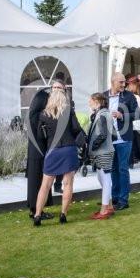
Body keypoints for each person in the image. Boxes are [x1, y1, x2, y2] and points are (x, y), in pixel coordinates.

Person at [32, 85, 85, 226]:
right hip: (69, 149)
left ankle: (37, 215)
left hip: (52, 150)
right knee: (68, 184)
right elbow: (76, 128)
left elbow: (40, 135)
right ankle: (63, 214)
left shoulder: (43, 114)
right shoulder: (69, 111)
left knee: (45, 185)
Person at [104, 72, 139, 210]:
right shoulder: (104, 96)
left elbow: (138, 114)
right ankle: (115, 198)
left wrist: (122, 115)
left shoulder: (129, 96)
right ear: (113, 82)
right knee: (113, 169)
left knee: (123, 169)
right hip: (109, 139)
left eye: (124, 82)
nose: (124, 84)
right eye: (121, 82)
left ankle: (124, 200)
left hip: (125, 139)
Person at [24, 87, 56, 221]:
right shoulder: (39, 116)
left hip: (34, 152)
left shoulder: (32, 115)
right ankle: (37, 211)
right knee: (38, 182)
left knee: (35, 181)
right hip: (39, 152)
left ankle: (36, 209)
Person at [86, 93, 116, 220]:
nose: (89, 103)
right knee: (102, 178)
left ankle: (104, 211)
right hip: (104, 151)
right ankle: (109, 206)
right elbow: (113, 134)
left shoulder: (102, 115)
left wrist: (93, 145)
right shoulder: (104, 113)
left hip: (103, 152)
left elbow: (103, 134)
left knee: (105, 179)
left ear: (97, 102)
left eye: (90, 101)